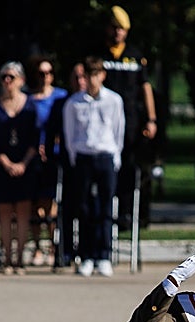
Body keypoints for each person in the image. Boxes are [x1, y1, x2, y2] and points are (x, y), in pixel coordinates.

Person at [92, 5, 158, 227]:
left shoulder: (135, 56)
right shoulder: (98, 54)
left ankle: (128, 214)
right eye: (115, 28)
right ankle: (103, 212)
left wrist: (151, 119)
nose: (118, 33)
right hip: (102, 123)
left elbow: (145, 88)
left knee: (131, 168)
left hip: (130, 122)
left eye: (122, 29)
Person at [62, 56, 124, 278]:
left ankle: (104, 255)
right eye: (88, 76)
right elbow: (70, 134)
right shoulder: (74, 103)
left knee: (105, 207)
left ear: (102, 76)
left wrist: (115, 156)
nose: (92, 80)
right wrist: (74, 156)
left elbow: (118, 131)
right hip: (83, 157)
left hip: (105, 155)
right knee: (84, 207)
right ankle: (87, 255)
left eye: (96, 75)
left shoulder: (114, 100)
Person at [0, 61, 39, 274]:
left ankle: (19, 260)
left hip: (25, 165)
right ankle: (7, 258)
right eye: (4, 77)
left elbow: (36, 139)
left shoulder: (30, 105)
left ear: (21, 81)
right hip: (2, 165)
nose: (7, 81)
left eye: (12, 77)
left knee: (24, 212)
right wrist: (6, 163)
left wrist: (23, 164)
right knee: (5, 213)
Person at [26, 54, 67, 266]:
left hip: (54, 154)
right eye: (41, 73)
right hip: (33, 155)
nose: (45, 77)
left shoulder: (61, 97)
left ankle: (53, 245)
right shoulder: (30, 99)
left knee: (50, 203)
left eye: (49, 73)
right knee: (34, 205)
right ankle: (37, 247)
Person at [48, 61, 86, 269]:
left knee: (88, 208)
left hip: (89, 163)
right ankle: (65, 251)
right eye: (76, 77)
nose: (80, 81)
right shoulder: (62, 102)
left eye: (83, 77)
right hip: (67, 164)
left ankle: (88, 251)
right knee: (67, 209)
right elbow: (52, 131)